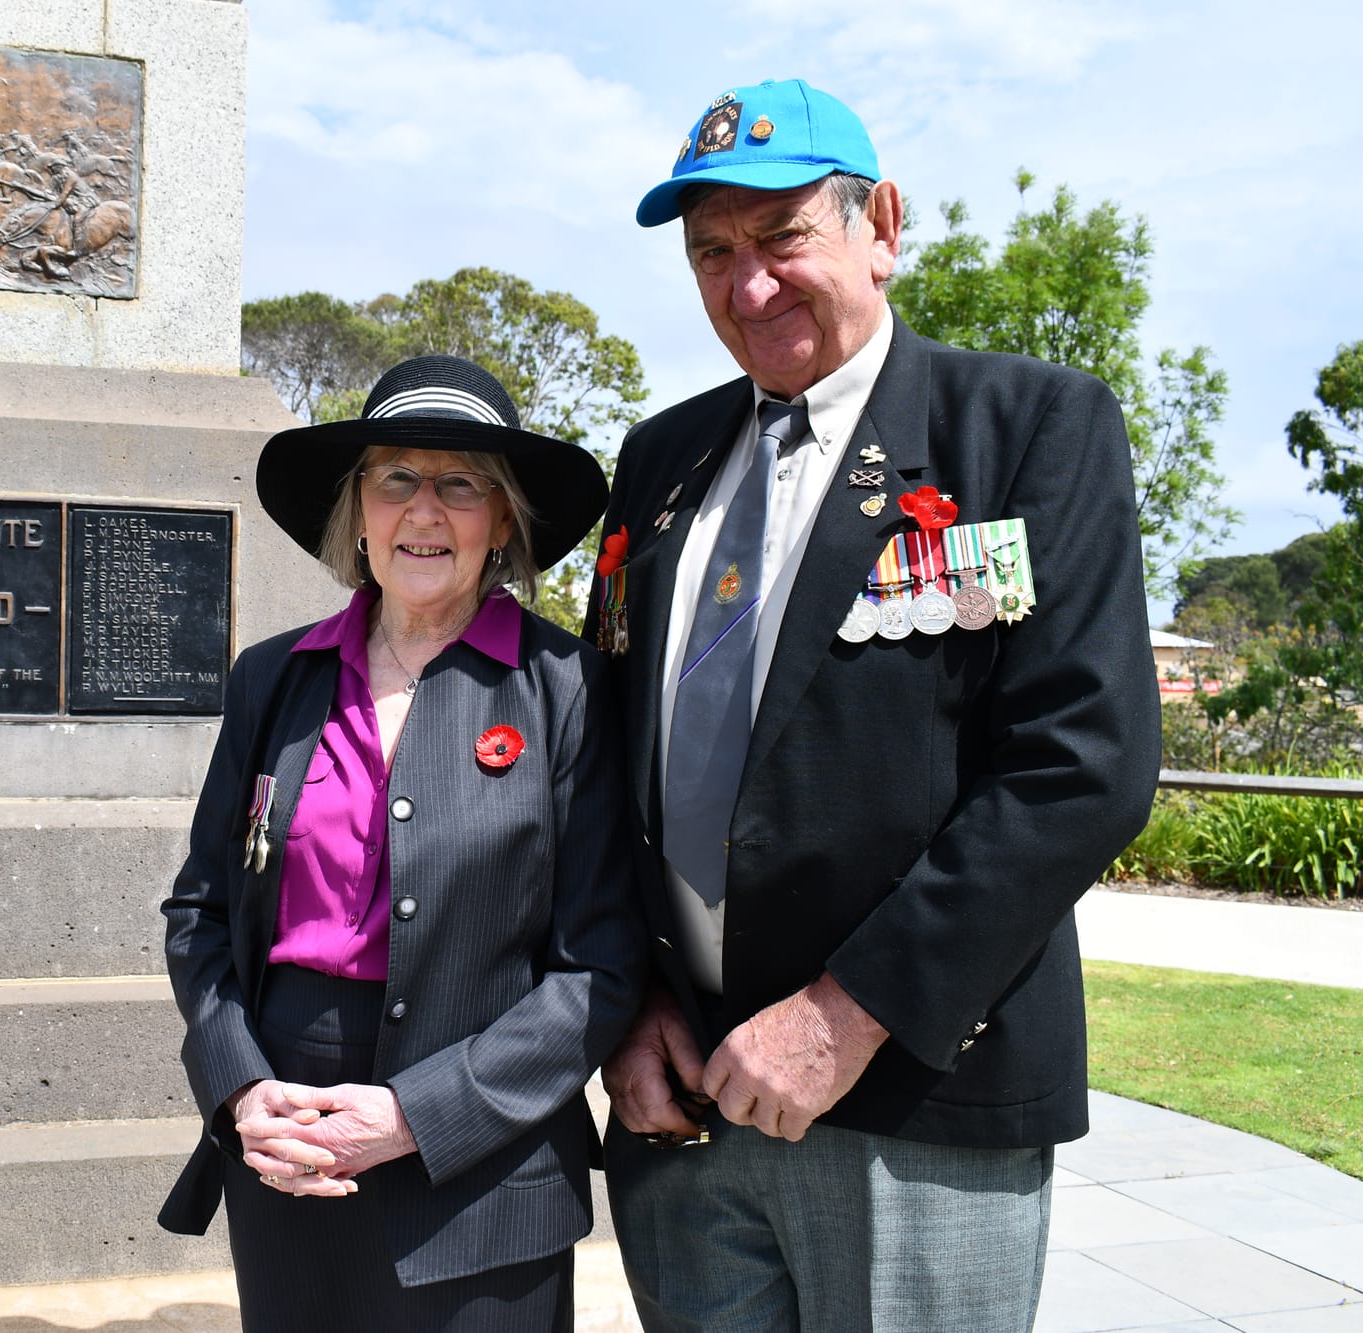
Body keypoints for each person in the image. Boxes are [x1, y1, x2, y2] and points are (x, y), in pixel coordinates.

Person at [584, 79, 1160, 1331]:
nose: (747, 287)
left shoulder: (1023, 428)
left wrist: (851, 1013)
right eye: (712, 253)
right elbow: (602, 760)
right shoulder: (659, 463)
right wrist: (623, 1005)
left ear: (879, 224)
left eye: (782, 236)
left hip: (910, 1100)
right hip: (676, 1108)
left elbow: (1081, 764)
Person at [158, 355, 645, 1331]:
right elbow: (200, 911)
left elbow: (600, 963)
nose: (423, 509)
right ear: (357, 511)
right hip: (288, 1158)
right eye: (394, 478)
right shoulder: (272, 681)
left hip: (484, 1167)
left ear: (501, 520)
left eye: (459, 482)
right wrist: (239, 1086)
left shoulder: (569, 691)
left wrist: (419, 1114)